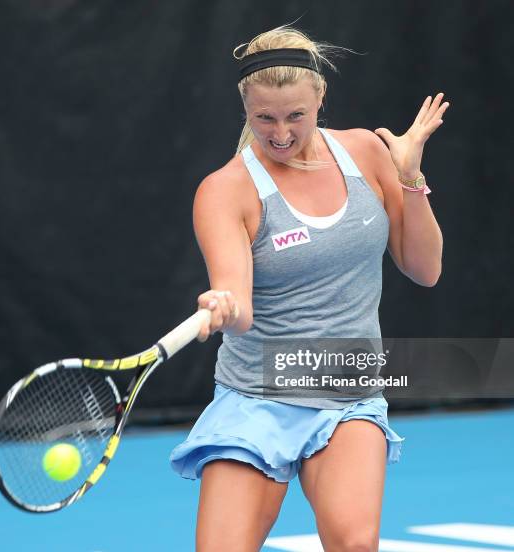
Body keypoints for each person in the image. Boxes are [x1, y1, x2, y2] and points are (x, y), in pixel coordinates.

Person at [170, 24, 447, 552]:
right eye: (264, 117)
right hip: (256, 396)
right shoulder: (225, 190)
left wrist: (410, 177)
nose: (280, 133)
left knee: (354, 543)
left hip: (348, 392)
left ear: (321, 98)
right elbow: (241, 305)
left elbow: (424, 268)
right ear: (245, 108)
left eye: (296, 115)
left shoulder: (366, 153)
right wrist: (223, 303)